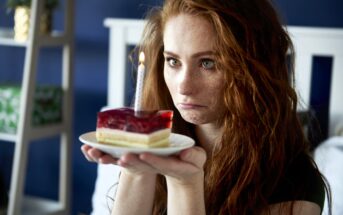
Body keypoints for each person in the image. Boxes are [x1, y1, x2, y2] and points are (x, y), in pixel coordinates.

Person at [81, 0, 331, 214]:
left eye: (208, 63)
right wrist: (137, 173)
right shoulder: (154, 145)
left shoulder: (295, 185)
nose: (184, 87)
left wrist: (185, 184)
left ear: (254, 70)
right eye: (173, 61)